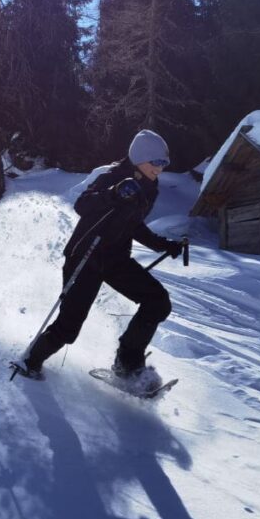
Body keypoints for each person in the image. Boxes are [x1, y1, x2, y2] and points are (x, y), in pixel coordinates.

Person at [18, 129, 184, 392]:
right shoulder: (114, 177)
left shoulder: (149, 188)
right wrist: (114, 193)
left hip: (115, 257)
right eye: (157, 162)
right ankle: (31, 360)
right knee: (69, 327)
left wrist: (164, 245)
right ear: (140, 158)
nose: (160, 169)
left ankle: (126, 365)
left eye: (164, 164)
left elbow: (134, 225)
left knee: (157, 301)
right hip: (86, 256)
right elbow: (82, 205)